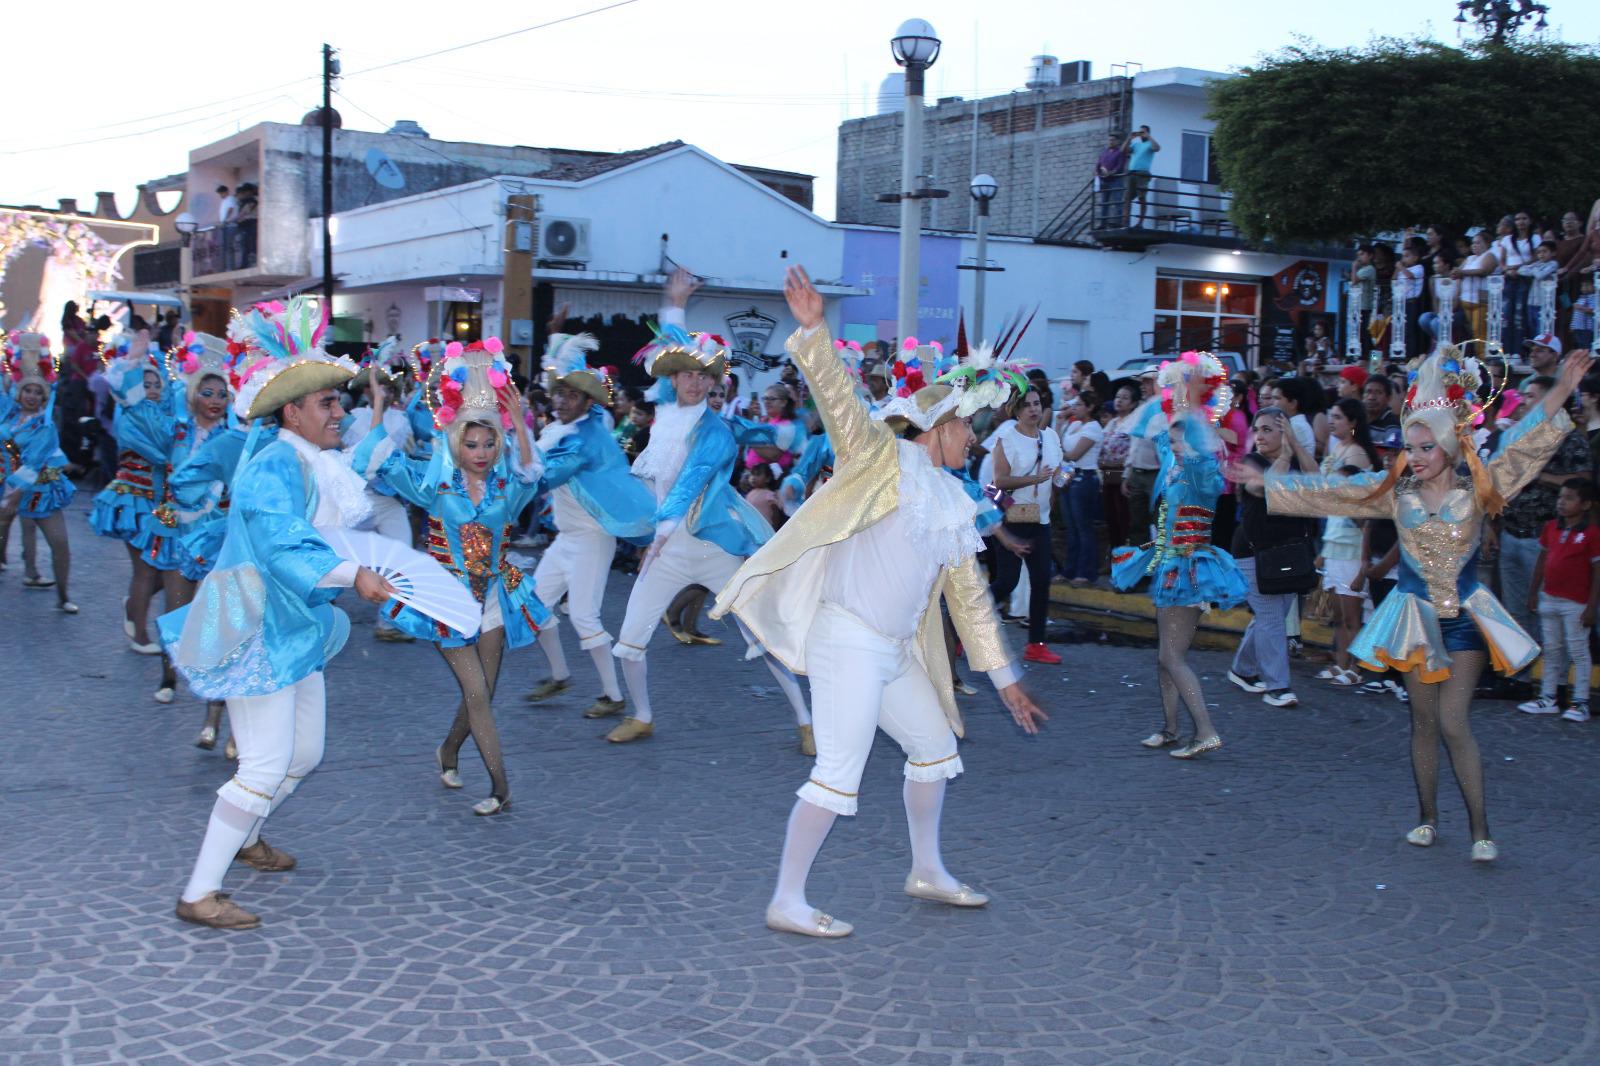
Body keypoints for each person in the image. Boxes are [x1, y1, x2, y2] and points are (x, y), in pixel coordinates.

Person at [714, 266, 1045, 939]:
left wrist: (1007, 680)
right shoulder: (881, 459)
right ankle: (787, 899)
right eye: (968, 426)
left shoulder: (953, 500)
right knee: (838, 773)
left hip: (894, 652)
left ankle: (927, 870)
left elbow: (971, 601)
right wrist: (814, 332)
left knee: (933, 747)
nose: (975, 439)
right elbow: (839, 405)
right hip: (848, 641)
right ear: (939, 425)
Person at [1242, 345, 1594, 862]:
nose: (1417, 455)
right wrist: (1270, 484)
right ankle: (1428, 818)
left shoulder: (1479, 486)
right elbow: (1333, 491)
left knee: (1453, 721)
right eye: (1411, 446)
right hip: (1413, 619)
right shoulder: (1396, 490)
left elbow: (1522, 446)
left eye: (1427, 447)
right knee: (1424, 723)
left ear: (1450, 446)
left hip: (1464, 619)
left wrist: (1561, 389)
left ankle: (1481, 830)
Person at [160, 297, 395, 928]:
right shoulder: (273, 466)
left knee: (304, 754)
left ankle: (247, 836)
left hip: (297, 624)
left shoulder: (312, 460)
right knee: (264, 762)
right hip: (256, 623)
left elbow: (333, 522)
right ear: (293, 411)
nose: (339, 411)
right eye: (328, 402)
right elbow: (282, 542)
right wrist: (352, 575)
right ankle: (200, 892)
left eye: (338, 401)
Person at [608, 269, 810, 747]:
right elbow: (671, 342)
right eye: (687, 374)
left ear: (714, 382)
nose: (695, 383)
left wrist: (656, 538)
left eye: (704, 376)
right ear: (674, 377)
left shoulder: (715, 431)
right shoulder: (664, 410)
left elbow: (688, 485)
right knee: (630, 641)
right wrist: (675, 302)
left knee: (761, 638)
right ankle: (642, 715)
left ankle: (807, 722)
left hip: (713, 548)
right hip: (669, 553)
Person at [354, 339, 546, 815]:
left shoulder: (506, 488)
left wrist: (519, 422)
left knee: (483, 694)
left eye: (488, 443)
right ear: (455, 440)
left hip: (495, 597)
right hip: (446, 599)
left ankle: (448, 750)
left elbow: (530, 474)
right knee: (477, 692)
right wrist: (378, 405)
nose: (480, 452)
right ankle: (501, 788)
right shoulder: (435, 486)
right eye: (471, 442)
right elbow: (381, 460)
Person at [1111, 355, 1248, 757]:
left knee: (1173, 656)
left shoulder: (1202, 472)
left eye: (1176, 440)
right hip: (1171, 563)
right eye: (1170, 440)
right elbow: (1156, 432)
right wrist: (1173, 394)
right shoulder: (1176, 467)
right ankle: (1171, 729)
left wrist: (1191, 403)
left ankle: (1205, 731)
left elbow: (1197, 448)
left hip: (1189, 568)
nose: (1169, 445)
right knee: (1164, 657)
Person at [524, 331, 655, 718]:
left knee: (583, 615)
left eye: (571, 394)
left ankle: (613, 696)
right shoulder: (569, 429)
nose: (560, 401)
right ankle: (560, 675)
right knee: (533, 605)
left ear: (586, 400)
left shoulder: (583, 440)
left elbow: (544, 476)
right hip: (566, 538)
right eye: (558, 394)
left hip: (592, 539)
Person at [88, 332, 186, 658]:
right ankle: (139, 634)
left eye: (157, 384)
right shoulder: (131, 417)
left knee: (162, 568)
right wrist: (133, 362)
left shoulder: (164, 417)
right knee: (146, 570)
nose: (153, 389)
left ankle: (134, 603)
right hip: (133, 501)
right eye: (145, 384)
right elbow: (162, 454)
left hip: (159, 501)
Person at [1226, 407, 1315, 708]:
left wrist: (1295, 446)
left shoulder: (1296, 459)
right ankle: (1278, 686)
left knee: (1271, 616)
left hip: (1287, 553)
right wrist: (1286, 456)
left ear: (1284, 432)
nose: (1260, 435)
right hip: (1253, 553)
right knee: (1271, 618)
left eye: (1267, 429)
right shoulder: (1251, 461)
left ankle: (1242, 669)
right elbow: (1267, 486)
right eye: (1257, 429)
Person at [1497, 367, 1589, 656]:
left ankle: (1548, 674)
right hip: (1510, 532)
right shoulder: (1516, 436)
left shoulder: (1570, 439)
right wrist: (1491, 525)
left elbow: (1584, 481)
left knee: (1544, 610)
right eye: (1523, 396)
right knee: (1514, 609)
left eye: (1531, 396)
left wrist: (1540, 476)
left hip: (1543, 540)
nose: (1523, 402)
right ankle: (1521, 672)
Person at [988, 384, 1065, 663]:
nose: (1033, 409)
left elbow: (1058, 471)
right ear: (1016, 411)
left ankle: (1036, 644)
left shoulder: (1051, 436)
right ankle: (962, 628)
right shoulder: (1006, 440)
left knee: (1041, 580)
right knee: (1006, 582)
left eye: (1037, 403)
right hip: (1013, 517)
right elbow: (999, 481)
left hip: (1040, 518)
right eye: (1027, 405)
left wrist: (1063, 479)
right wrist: (1035, 479)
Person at [0, 333, 77, 612]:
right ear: (19, 393)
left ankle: (63, 597)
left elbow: (33, 464)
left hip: (38, 491)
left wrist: (13, 498)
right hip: (6, 485)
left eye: (37, 392)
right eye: (27, 391)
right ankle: (27, 570)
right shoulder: (9, 413)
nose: (31, 396)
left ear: (44, 397)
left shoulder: (45, 427)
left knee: (60, 544)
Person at [1517, 478, 1600, 722]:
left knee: (1578, 650)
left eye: (1569, 498)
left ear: (1586, 505)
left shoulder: (1592, 534)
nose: (1561, 502)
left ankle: (1580, 702)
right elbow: (1542, 561)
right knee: (1552, 649)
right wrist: (1533, 592)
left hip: (1576, 602)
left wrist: (1591, 606)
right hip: (1549, 597)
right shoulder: (1551, 527)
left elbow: (1597, 571)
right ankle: (1548, 697)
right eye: (1560, 497)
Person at [1057, 390, 1102, 587]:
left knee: (1083, 527)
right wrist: (1059, 422)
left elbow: (1074, 455)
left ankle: (1086, 572)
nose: (1074, 408)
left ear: (1090, 407)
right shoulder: (1074, 425)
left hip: (1084, 477)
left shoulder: (1093, 428)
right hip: (1069, 474)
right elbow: (1059, 444)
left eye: (1079, 405)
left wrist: (1058, 451)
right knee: (1071, 528)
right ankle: (1069, 570)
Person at [1098, 383, 1136, 563]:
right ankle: (1115, 560)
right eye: (1118, 397)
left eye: (1125, 398)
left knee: (1124, 521)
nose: (1119, 401)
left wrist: (1115, 463)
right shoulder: (1112, 423)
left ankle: (1127, 561)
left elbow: (1133, 452)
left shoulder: (1133, 423)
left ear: (1133, 404)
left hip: (1123, 478)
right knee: (1111, 521)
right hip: (1107, 477)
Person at [1123, 125, 1160, 228]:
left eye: (1143, 132)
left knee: (1141, 197)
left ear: (1148, 133)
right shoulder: (1136, 144)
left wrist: (1149, 137)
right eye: (1140, 132)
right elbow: (1123, 151)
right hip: (1131, 173)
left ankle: (1140, 222)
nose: (1141, 134)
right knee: (1127, 198)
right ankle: (1125, 221)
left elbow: (1157, 148)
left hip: (1143, 174)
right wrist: (1129, 138)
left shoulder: (1150, 144)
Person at [1095, 131, 1127, 229]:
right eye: (1109, 140)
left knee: (1118, 201)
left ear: (1117, 141)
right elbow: (1098, 164)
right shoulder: (1104, 153)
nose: (1111, 142)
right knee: (1104, 202)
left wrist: (1111, 172)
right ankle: (1103, 224)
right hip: (1105, 180)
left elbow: (1120, 166)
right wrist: (1097, 172)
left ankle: (1119, 222)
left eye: (1113, 140)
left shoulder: (1119, 153)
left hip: (1115, 180)